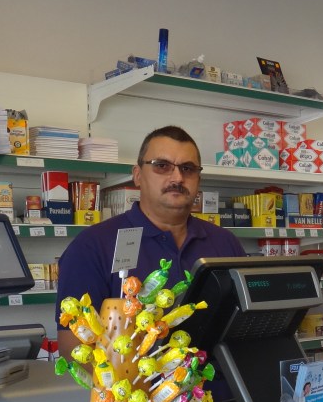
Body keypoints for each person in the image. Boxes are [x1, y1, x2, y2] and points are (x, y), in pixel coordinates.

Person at [55, 125, 246, 355]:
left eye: (188, 168)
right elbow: (74, 348)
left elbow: (244, 327)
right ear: (138, 175)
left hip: (221, 378)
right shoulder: (92, 246)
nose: (178, 177)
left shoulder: (226, 243)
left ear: (199, 179)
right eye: (162, 166)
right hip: (134, 378)